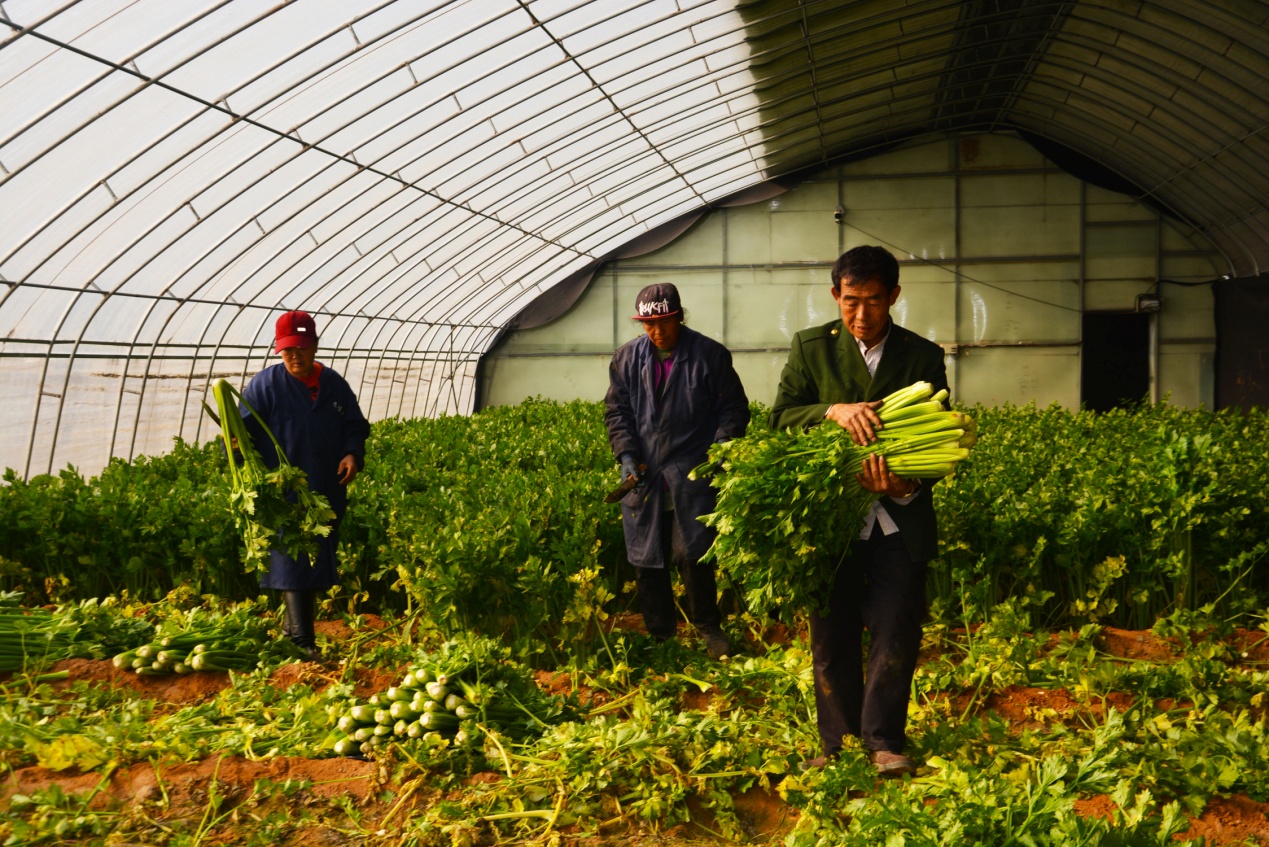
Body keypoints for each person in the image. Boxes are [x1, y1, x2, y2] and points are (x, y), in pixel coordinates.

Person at [769, 245, 948, 777]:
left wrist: (905, 483)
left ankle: (884, 741)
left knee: (897, 629)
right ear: (835, 296)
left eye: (873, 301)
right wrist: (831, 410)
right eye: (851, 302)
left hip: (898, 518)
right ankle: (837, 744)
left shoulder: (923, 356)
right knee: (831, 633)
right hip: (831, 521)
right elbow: (778, 419)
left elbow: (941, 440)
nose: (861, 315)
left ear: (893, 296)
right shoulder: (811, 348)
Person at [604, 283, 750, 659]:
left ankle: (708, 627)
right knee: (646, 556)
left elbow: (733, 409)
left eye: (664, 322)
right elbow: (617, 413)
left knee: (694, 553)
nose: (657, 331)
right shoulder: (626, 359)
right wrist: (625, 455)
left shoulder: (709, 356)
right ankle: (661, 636)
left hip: (692, 473)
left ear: (679, 316)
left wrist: (720, 449)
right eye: (649, 324)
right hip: (645, 474)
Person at [240, 310, 370, 661]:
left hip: (326, 489)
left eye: (300, 348)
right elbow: (240, 436)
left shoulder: (334, 385)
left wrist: (352, 454)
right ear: (277, 350)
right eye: (287, 350)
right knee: (293, 559)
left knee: (311, 560)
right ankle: (302, 643)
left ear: (314, 346)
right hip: (284, 493)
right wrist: (235, 448)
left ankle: (289, 633)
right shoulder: (263, 387)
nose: (294, 356)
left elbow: (355, 425)